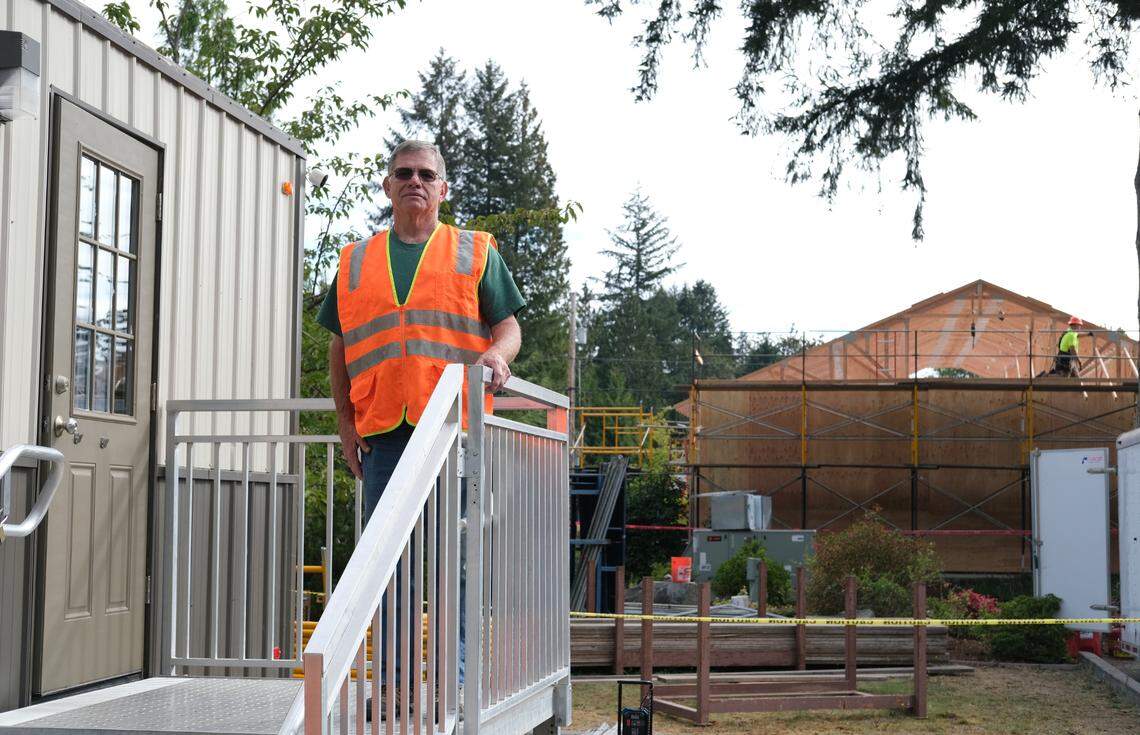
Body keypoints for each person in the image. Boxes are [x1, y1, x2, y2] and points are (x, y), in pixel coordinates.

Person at [317, 139, 526, 716]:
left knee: (454, 563)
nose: (415, 181)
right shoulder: (355, 259)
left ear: (443, 188)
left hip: (455, 433)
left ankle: (451, 684)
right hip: (383, 432)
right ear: (387, 187)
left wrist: (497, 358)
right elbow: (339, 347)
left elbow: (507, 327)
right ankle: (393, 684)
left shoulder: (473, 251)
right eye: (403, 173)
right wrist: (344, 421)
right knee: (387, 566)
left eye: (426, 174)